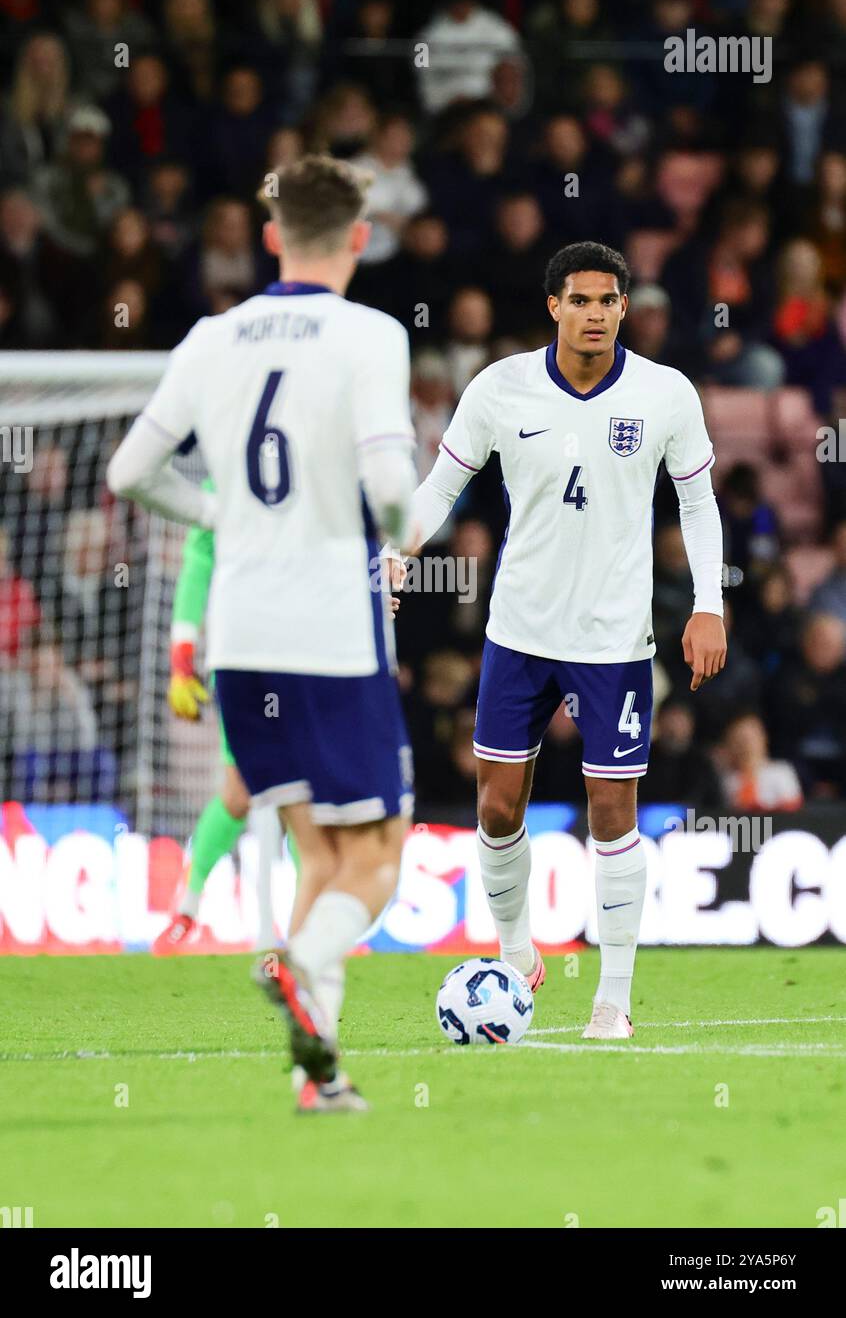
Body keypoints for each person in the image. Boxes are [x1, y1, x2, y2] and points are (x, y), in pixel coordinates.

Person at [107, 155, 417, 1113]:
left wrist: (213, 517)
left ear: (273, 236)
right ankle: (299, 960)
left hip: (242, 629)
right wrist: (402, 537)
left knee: (314, 853)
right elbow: (391, 487)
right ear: (360, 238)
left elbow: (128, 472)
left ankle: (315, 1078)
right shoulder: (368, 335)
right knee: (379, 850)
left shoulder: (212, 336)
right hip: (331, 622)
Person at [390, 241, 726, 1039]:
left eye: (609, 301)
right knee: (497, 804)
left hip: (613, 637)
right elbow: (441, 483)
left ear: (623, 308)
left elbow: (700, 503)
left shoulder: (663, 393)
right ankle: (515, 952)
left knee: (613, 812)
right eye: (580, 300)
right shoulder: (500, 388)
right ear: (554, 307)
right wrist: (396, 551)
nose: (596, 314)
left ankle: (613, 999)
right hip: (520, 630)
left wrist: (708, 603)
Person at [152, 479, 298, 956]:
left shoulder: (313, 465)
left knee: (308, 791)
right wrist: (182, 656)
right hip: (241, 657)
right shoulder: (225, 476)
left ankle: (310, 923)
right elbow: (199, 559)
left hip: (308, 652)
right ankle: (188, 906)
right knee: (239, 791)